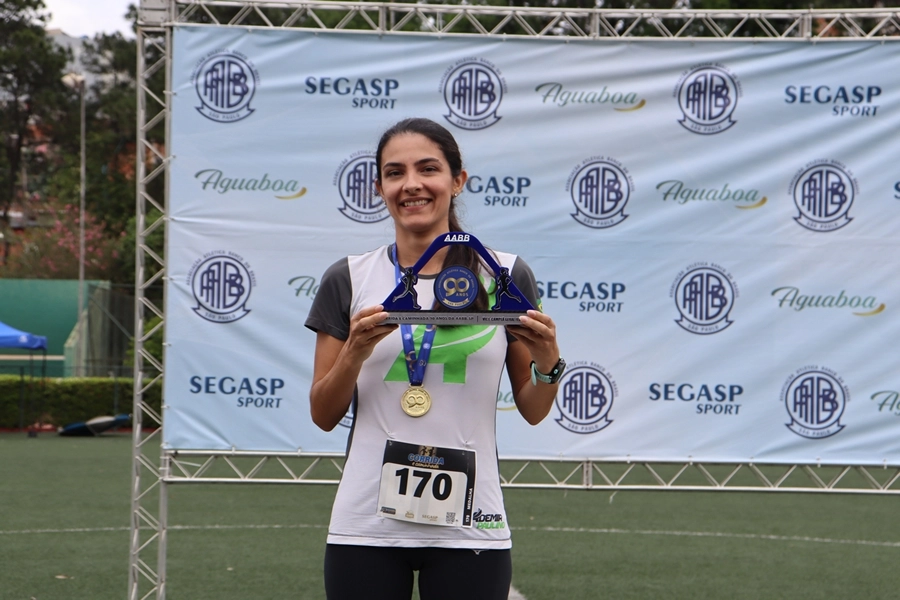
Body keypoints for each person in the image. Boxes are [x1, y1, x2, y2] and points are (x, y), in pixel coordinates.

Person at [305, 117, 565, 600]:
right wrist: (355, 353)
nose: (412, 185)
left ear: (457, 180)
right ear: (380, 186)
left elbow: (533, 407)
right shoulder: (349, 277)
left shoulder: (504, 275)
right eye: (395, 172)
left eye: (428, 169)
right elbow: (323, 413)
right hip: (366, 524)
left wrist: (549, 362)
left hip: (474, 523)